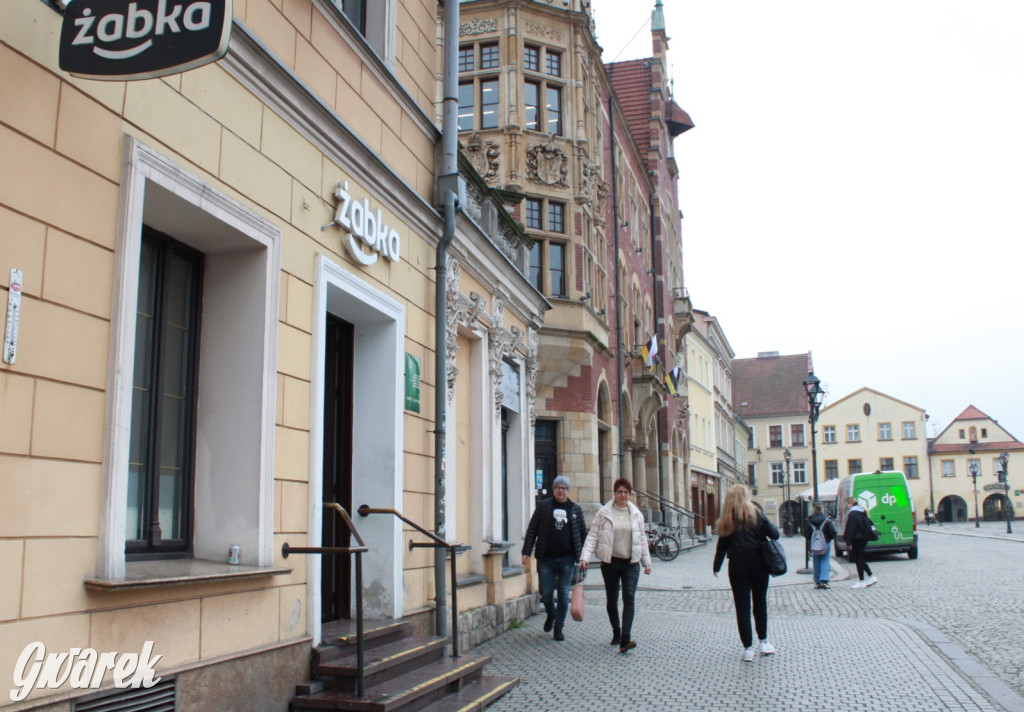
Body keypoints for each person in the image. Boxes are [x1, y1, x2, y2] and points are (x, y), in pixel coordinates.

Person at [579, 478, 652, 653]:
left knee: (629, 597)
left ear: (629, 494)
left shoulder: (636, 514)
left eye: (626, 492)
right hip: (610, 563)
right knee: (612, 599)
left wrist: (646, 563)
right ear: (615, 493)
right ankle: (616, 631)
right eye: (620, 492)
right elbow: (593, 536)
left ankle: (625, 638)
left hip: (631, 563)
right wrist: (585, 557)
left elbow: (641, 539)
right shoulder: (604, 513)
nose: (623, 495)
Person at [712, 484, 780, 662]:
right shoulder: (757, 514)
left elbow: (721, 547)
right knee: (760, 603)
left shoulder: (728, 519)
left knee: (742, 607)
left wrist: (716, 567)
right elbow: (775, 535)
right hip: (759, 565)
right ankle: (764, 642)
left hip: (737, 566)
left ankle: (748, 648)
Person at [521, 475, 587, 641]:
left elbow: (583, 534)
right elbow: (532, 530)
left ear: (568, 490)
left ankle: (559, 627)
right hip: (547, 558)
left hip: (567, 559)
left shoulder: (575, 509)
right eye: (558, 487)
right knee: (547, 593)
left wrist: (584, 557)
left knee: (564, 594)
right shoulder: (544, 506)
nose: (561, 490)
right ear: (553, 489)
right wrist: (526, 552)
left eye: (564, 488)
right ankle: (551, 614)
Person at [843, 496, 878, 588]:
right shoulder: (861, 512)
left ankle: (861, 580)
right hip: (863, 538)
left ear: (850, 503)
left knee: (858, 559)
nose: (847, 506)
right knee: (859, 558)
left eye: (847, 504)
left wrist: (848, 542)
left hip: (857, 539)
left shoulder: (853, 514)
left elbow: (851, 529)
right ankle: (871, 576)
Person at [803, 504, 837, 589]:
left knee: (816, 561)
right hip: (826, 542)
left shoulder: (810, 520)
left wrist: (812, 539)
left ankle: (817, 581)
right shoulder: (826, 520)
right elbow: (833, 532)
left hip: (814, 544)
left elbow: (806, 533)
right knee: (825, 560)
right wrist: (828, 538)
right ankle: (824, 580)